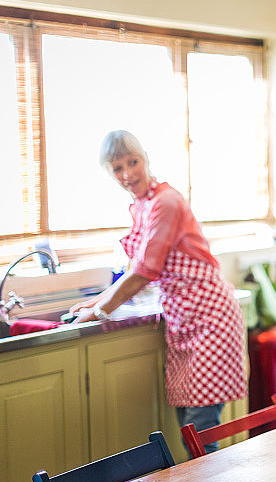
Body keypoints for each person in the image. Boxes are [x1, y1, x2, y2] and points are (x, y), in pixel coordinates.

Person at [71, 130, 247, 456]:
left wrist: (100, 311)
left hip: (210, 318)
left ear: (146, 159)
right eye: (117, 168)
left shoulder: (166, 202)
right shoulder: (143, 205)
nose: (128, 174)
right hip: (185, 320)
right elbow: (137, 267)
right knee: (190, 431)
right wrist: (96, 301)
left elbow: (145, 270)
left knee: (201, 433)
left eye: (133, 162)